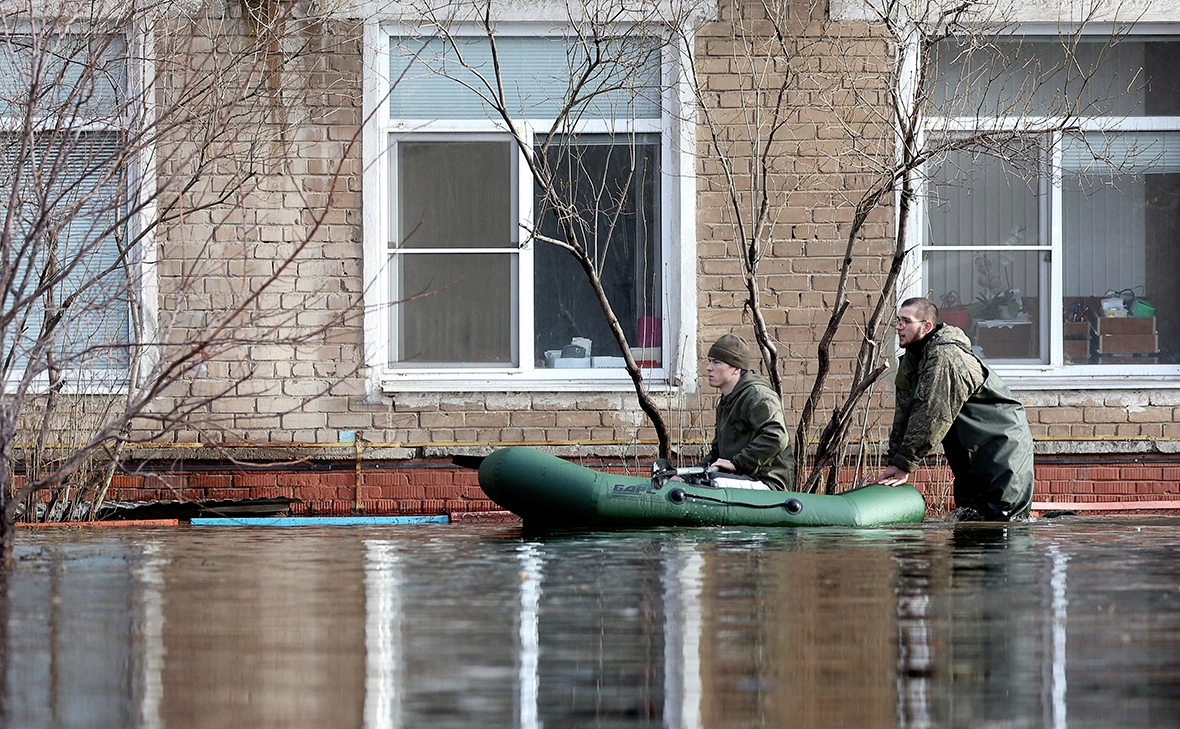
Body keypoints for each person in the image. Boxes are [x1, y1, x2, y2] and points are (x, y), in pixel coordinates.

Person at [874, 297, 1035, 520]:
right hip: (969, 453)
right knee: (969, 519)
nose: (899, 327)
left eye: (905, 321)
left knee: (1002, 525)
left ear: (926, 326)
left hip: (1001, 449)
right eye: (897, 321)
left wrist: (905, 463)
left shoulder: (945, 357)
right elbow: (905, 413)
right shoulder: (912, 359)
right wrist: (895, 461)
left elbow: (932, 413)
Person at [700, 333, 795, 490]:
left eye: (716, 362)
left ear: (736, 368)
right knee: (697, 483)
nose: (708, 368)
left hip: (767, 483)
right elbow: (717, 454)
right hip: (740, 478)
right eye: (710, 361)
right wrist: (688, 475)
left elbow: (777, 436)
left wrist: (737, 463)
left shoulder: (757, 396)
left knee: (710, 485)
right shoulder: (727, 401)